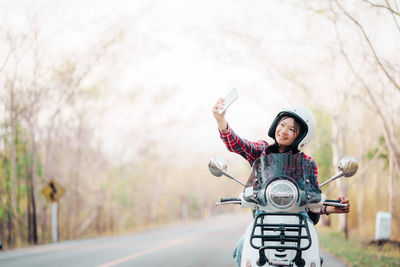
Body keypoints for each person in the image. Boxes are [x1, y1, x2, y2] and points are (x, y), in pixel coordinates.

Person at [212, 98, 350, 266]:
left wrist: (331, 208)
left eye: (292, 129)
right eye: (282, 124)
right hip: (264, 215)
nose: (284, 131)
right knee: (243, 246)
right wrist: (221, 121)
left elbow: (313, 199)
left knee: (312, 255)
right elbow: (239, 144)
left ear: (301, 137)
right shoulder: (262, 151)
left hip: (299, 218)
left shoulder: (307, 162)